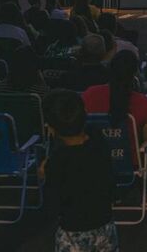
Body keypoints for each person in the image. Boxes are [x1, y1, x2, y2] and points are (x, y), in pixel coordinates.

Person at [41, 89, 118, 252]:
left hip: (72, 231)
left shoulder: (57, 161)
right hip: (104, 224)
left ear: (51, 127)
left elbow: (53, 205)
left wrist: (44, 175)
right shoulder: (98, 141)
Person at [82, 50, 147, 146]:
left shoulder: (90, 94)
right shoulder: (143, 102)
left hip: (93, 159)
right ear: (134, 74)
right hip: (129, 160)